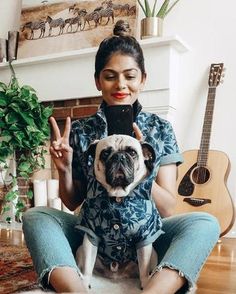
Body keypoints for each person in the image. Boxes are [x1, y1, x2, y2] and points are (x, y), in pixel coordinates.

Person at [22, 20, 220, 294]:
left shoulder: (160, 129)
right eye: (110, 75)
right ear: (97, 81)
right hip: (93, 239)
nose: (121, 85)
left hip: (146, 239)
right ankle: (76, 290)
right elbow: (73, 201)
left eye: (130, 75)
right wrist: (64, 168)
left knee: (206, 223)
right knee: (35, 216)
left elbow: (168, 208)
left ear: (143, 79)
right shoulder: (80, 130)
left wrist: (142, 171)